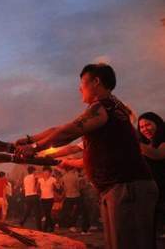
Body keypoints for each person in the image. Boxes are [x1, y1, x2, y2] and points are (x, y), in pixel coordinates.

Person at [14, 63, 157, 249]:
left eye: (82, 83)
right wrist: (29, 139)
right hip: (120, 189)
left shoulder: (103, 107)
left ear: (96, 82)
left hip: (127, 189)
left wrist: (34, 147)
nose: (79, 88)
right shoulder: (111, 107)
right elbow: (61, 130)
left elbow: (69, 131)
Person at [138, 112, 165, 237]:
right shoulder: (146, 144)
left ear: (157, 123)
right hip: (152, 192)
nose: (144, 129)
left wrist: (134, 141)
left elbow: (158, 154)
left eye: (147, 124)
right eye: (141, 127)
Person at [38, 166, 61, 232]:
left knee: (47, 213)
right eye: (45, 172)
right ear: (43, 172)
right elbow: (37, 189)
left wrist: (57, 183)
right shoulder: (40, 179)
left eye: (47, 172)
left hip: (50, 198)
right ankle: (52, 226)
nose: (46, 173)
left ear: (50, 173)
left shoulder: (52, 179)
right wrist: (39, 194)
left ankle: (45, 228)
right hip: (43, 198)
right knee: (46, 213)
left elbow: (58, 187)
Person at [59, 166, 81, 232]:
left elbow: (63, 187)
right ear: (73, 169)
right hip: (76, 196)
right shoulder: (75, 177)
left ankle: (63, 224)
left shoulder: (64, 177)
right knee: (76, 211)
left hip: (68, 196)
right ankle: (72, 225)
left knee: (66, 211)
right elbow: (78, 187)